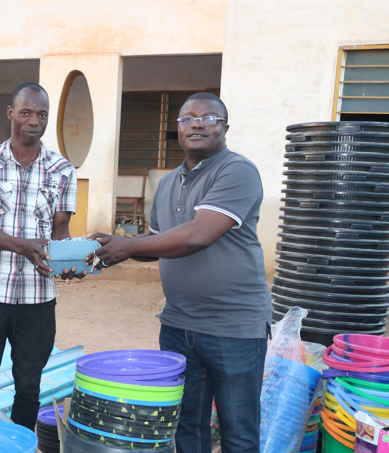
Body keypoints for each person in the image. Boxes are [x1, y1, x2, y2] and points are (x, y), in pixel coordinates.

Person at [88, 93, 270, 453]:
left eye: (209, 118)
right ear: (178, 129)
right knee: (187, 427)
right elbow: (158, 243)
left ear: (225, 128)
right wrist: (112, 247)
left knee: (239, 431)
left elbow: (198, 236)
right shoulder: (170, 181)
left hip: (233, 329)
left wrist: (129, 246)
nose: (198, 123)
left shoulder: (237, 171)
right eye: (188, 118)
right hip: (178, 327)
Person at [0, 82, 81, 432]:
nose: (33, 121)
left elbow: (59, 232)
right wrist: (24, 246)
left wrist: (70, 260)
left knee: (29, 387)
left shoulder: (62, 170)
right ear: (11, 113)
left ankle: (19, 444)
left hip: (38, 298)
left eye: (41, 114)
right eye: (25, 112)